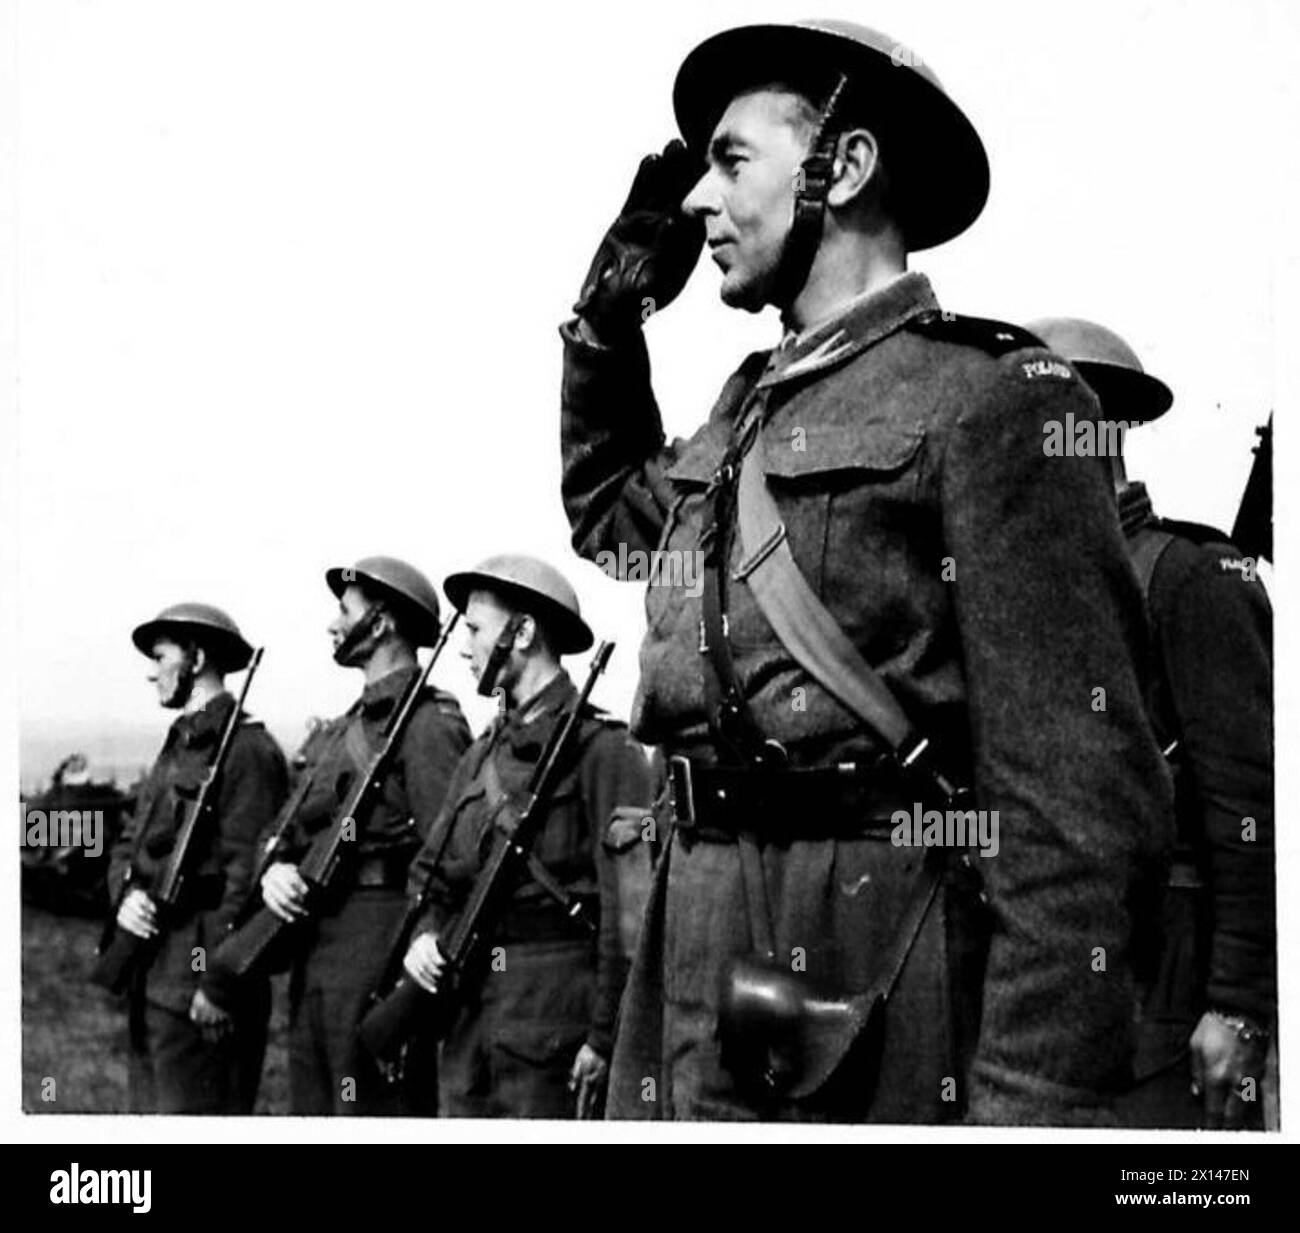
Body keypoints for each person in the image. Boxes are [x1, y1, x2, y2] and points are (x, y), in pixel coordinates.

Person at [559, 19, 1173, 1124]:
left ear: (841, 170)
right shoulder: (741, 408)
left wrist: (1028, 1105)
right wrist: (607, 324)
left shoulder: (996, 400)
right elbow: (613, 520)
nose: (697, 200)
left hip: (874, 940)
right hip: (692, 923)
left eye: (731, 159)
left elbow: (1081, 811)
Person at [1029, 317, 1276, 1130]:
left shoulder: (1190, 580)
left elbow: (1249, 810)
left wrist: (1238, 1007)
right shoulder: (1015, 599)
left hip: (1168, 1015)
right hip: (1039, 1008)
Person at [401, 555, 652, 1118]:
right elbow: (428, 873)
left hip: (556, 1024)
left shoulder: (605, 750)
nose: (464, 647)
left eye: (474, 629)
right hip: (469, 1022)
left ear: (523, 631)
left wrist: (606, 1038)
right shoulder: (478, 756)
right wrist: (424, 934)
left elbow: (630, 911)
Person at [249, 556, 470, 1115]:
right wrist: (272, 870)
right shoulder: (341, 729)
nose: (331, 625)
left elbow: (451, 856)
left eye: (344, 611)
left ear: (383, 622)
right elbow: (284, 827)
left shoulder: (428, 725)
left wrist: (418, 957)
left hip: (381, 945)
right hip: (316, 947)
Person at [108, 602, 287, 1113]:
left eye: (161, 656)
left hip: (198, 993)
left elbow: (246, 884)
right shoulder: (179, 745)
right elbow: (131, 840)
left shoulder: (248, 751)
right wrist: (126, 896)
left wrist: (219, 984)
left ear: (198, 657)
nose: (151, 671)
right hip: (154, 981)